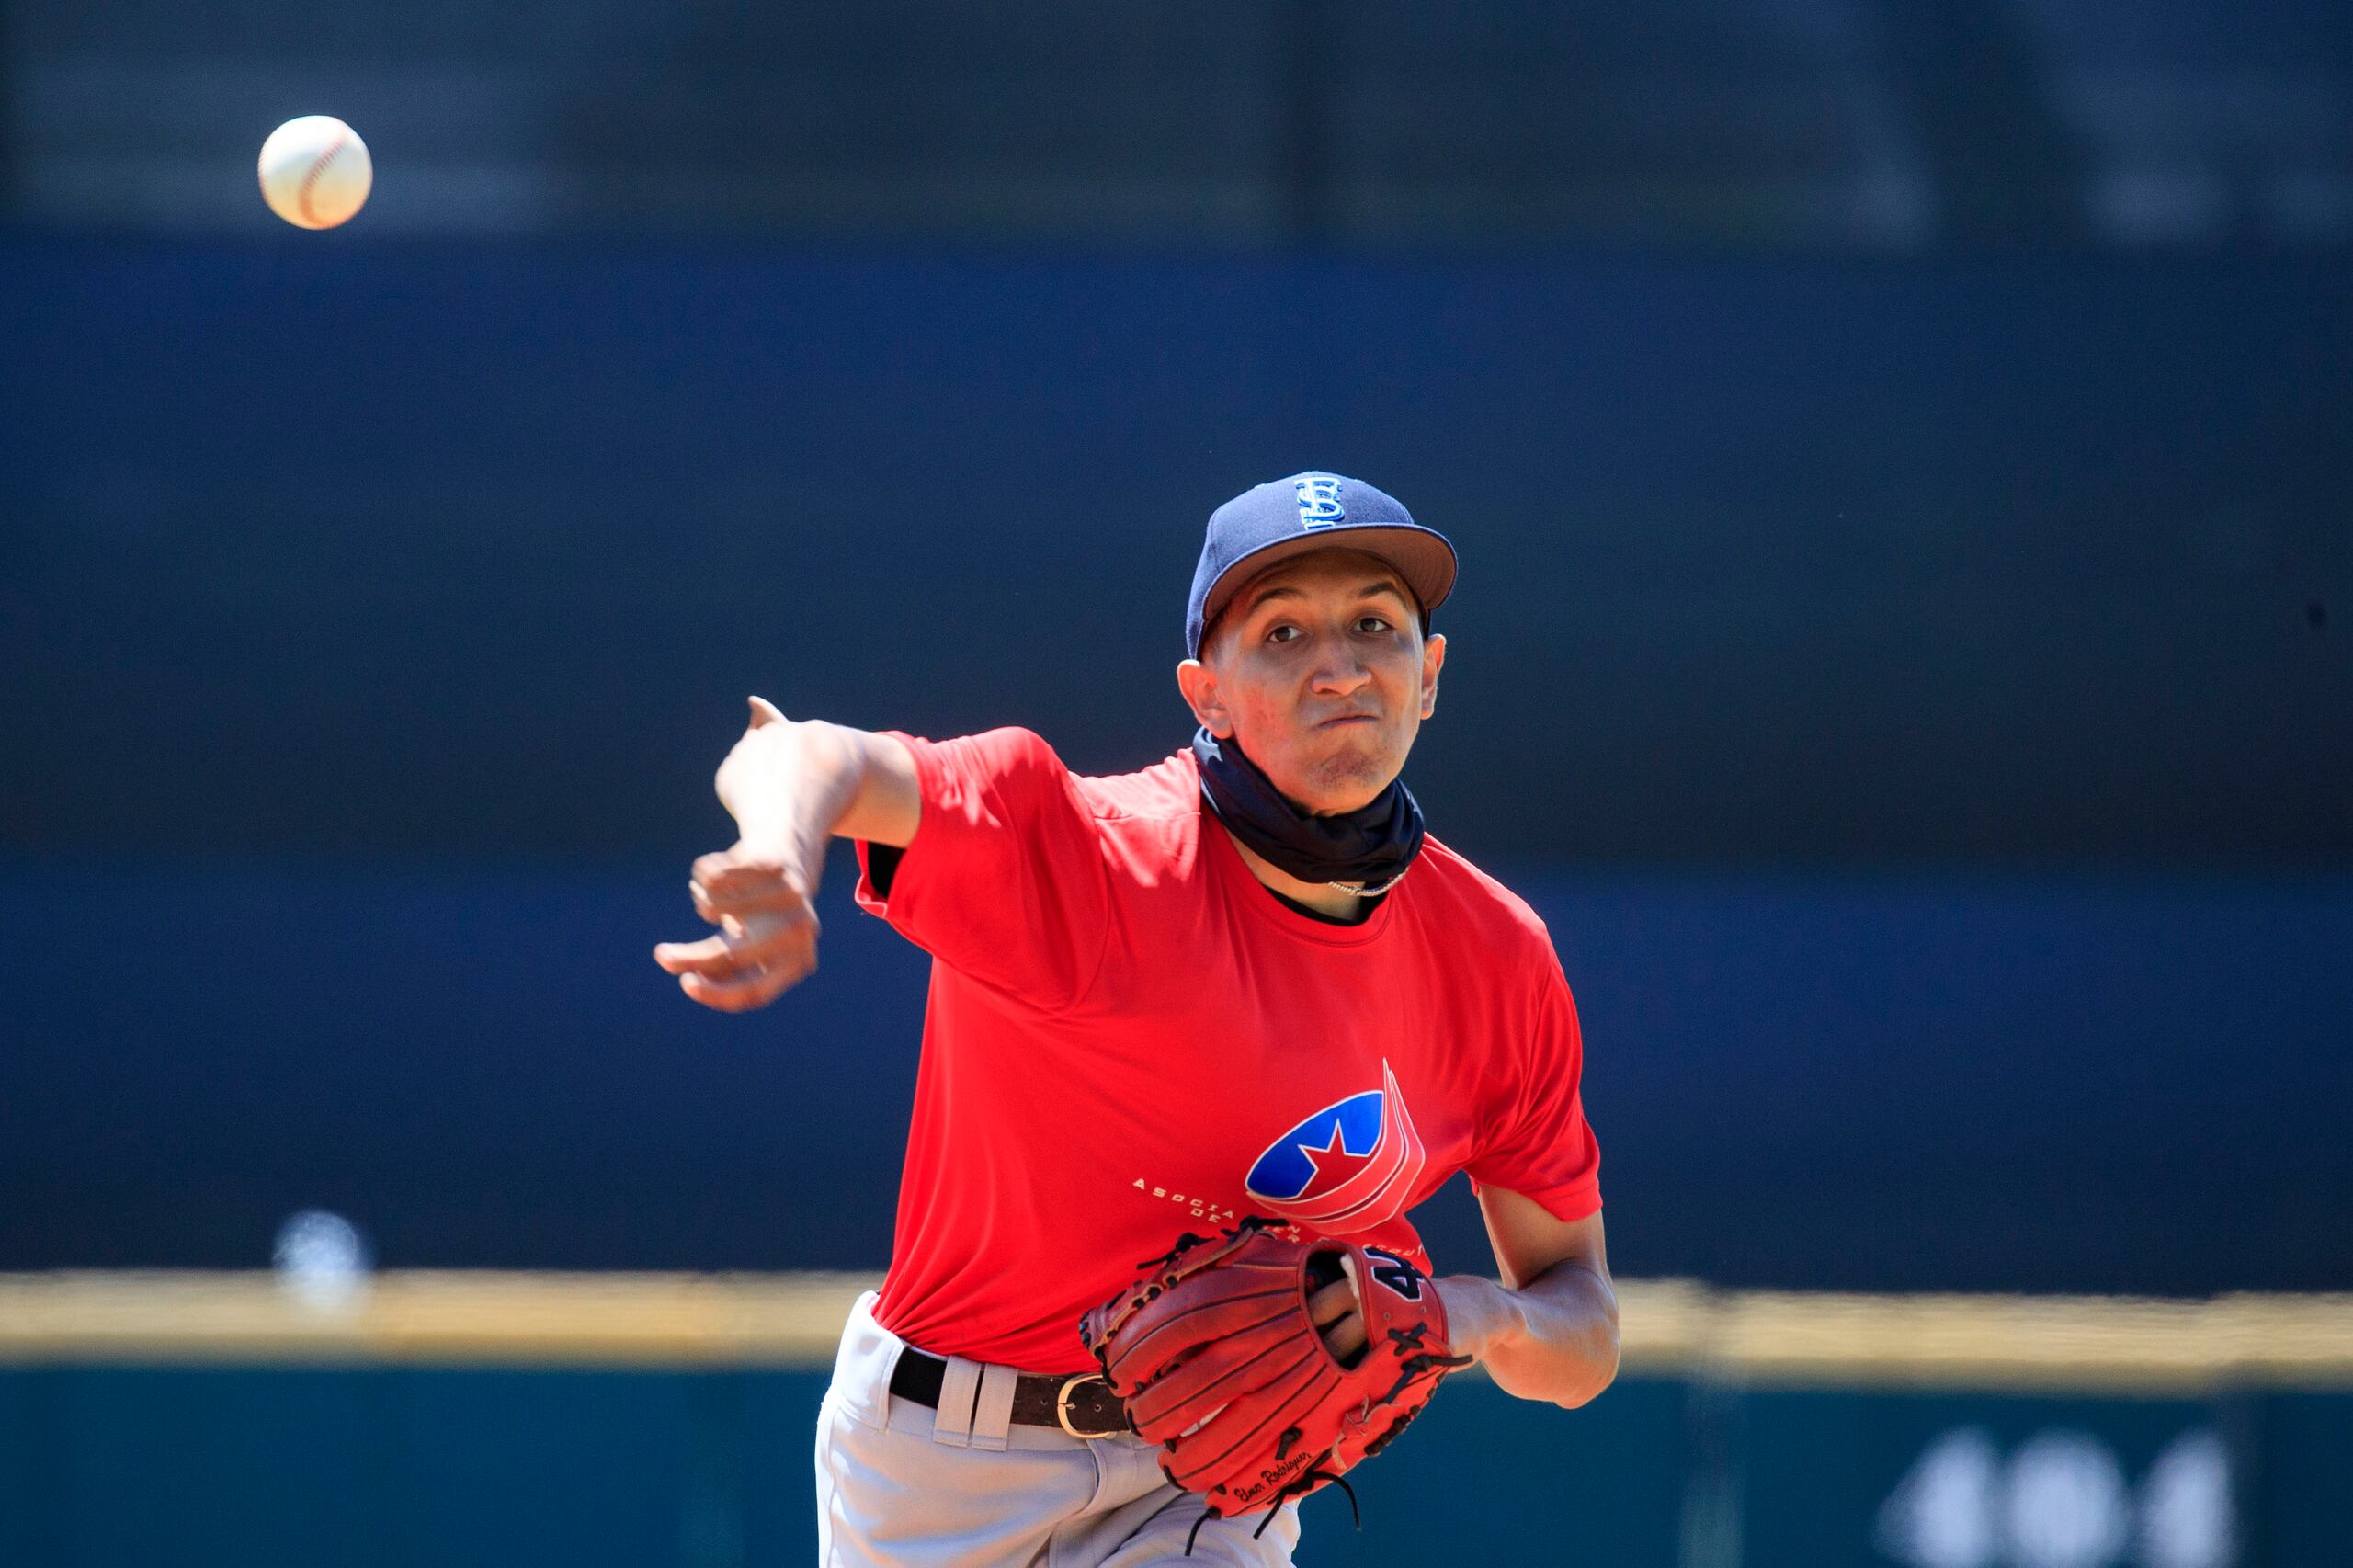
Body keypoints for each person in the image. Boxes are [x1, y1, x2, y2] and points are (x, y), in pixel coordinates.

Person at [654, 472, 1619, 1566]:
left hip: (1208, 1483)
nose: (1339, 666)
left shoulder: (1495, 956)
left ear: (1430, 672)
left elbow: (1579, 1329)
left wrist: (1466, 1314)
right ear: (1204, 692)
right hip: (941, 1463)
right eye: (1283, 630)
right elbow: (799, 751)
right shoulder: (1089, 856)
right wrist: (779, 848)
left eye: (1375, 625)